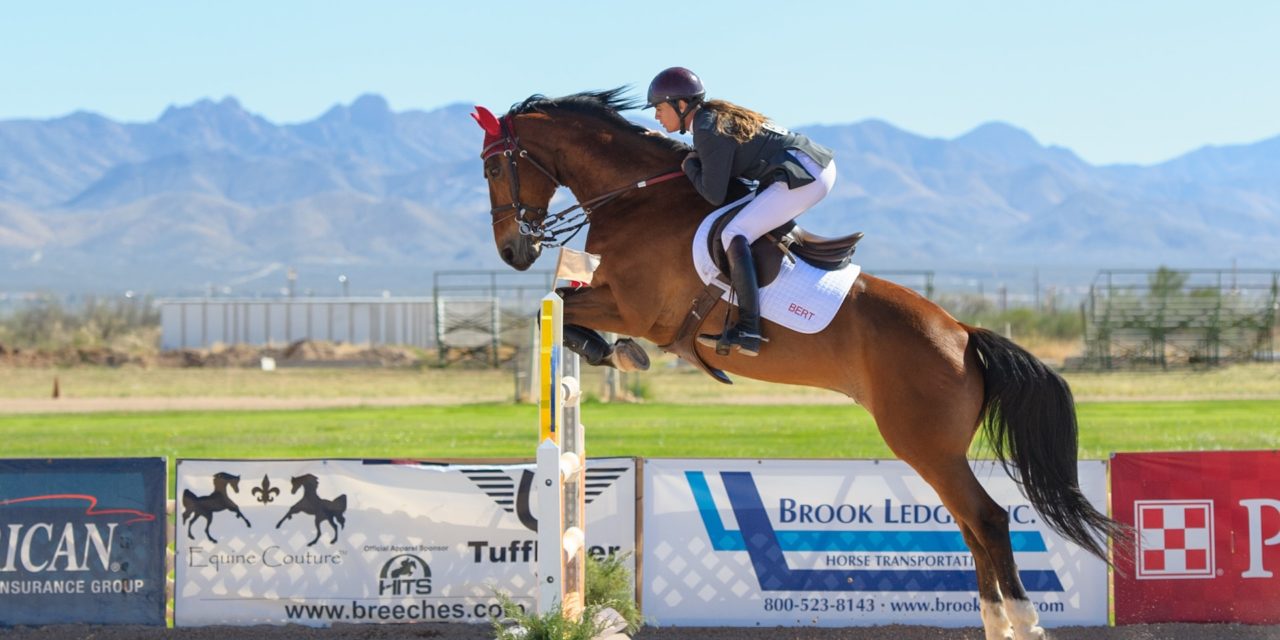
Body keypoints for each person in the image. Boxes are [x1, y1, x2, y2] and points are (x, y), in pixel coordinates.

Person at [647, 66, 837, 357]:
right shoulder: (709, 121)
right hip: (808, 167)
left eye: (660, 108)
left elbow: (713, 193)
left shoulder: (708, 127)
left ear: (681, 105)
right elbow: (708, 156)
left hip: (805, 174)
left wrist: (688, 166)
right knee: (742, 225)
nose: (657, 116)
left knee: (735, 232)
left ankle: (749, 327)